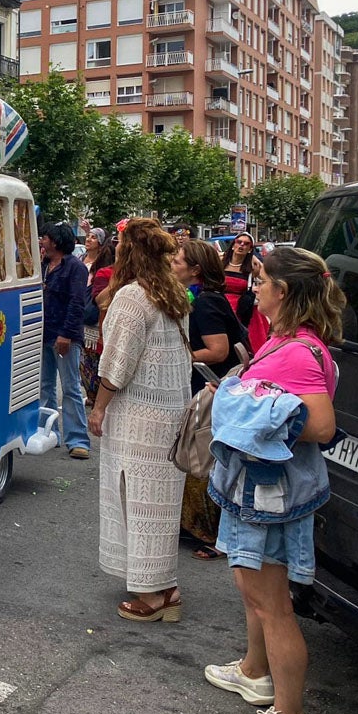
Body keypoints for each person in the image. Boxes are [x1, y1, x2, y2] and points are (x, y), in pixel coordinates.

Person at [203, 247, 343, 714]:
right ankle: (254, 672)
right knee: (253, 590)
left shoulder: (298, 351)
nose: (254, 287)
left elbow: (322, 425)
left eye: (261, 281)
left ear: (283, 291)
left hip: (272, 495)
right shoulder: (288, 341)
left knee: (272, 603)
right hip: (264, 490)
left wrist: (254, 408)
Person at [89, 218, 192, 622]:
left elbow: (116, 364)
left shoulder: (133, 297)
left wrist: (99, 408)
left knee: (136, 497)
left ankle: (152, 595)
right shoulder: (174, 293)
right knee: (161, 502)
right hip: (170, 409)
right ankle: (166, 585)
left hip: (138, 414)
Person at [173, 239, 247, 561]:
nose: (172, 263)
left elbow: (218, 350)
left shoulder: (206, 302)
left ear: (195, 270)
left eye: (177, 260)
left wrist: (179, 355)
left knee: (203, 458)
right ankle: (198, 527)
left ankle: (213, 534)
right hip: (207, 388)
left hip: (214, 390)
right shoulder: (201, 298)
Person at [39, 224, 91, 459]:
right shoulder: (42, 266)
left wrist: (67, 334)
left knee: (70, 387)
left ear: (56, 242)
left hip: (64, 335)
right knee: (44, 386)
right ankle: (49, 433)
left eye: (46, 237)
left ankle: (78, 438)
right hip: (44, 333)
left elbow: (77, 303)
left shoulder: (75, 268)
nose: (42, 240)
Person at [80, 228, 116, 407]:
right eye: (88, 236)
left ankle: (96, 395)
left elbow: (101, 300)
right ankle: (93, 394)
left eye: (93, 237)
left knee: (94, 360)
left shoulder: (103, 269)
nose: (89, 239)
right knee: (89, 360)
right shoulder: (81, 260)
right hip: (86, 314)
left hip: (95, 319)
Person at [222, 232, 271, 353]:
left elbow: (268, 278)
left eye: (246, 244)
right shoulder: (220, 261)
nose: (241, 245)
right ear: (233, 245)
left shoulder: (253, 267)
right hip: (221, 306)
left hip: (243, 310)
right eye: (239, 242)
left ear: (250, 249)